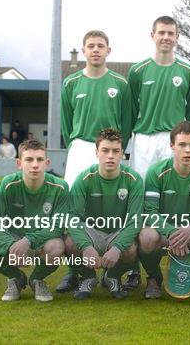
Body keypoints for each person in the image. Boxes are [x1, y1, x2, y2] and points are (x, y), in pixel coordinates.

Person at [59, 30, 132, 293]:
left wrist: (114, 147)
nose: (96, 50)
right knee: (74, 210)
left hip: (110, 149)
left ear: (108, 51)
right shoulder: (70, 83)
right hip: (81, 147)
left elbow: (127, 121)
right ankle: (76, 271)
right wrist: (79, 144)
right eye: (91, 46)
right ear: (84, 50)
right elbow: (67, 124)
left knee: (115, 207)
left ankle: (114, 271)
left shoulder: (120, 83)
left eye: (101, 46)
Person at [137, 121, 190, 299]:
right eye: (182, 144)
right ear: (172, 146)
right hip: (164, 228)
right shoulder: (156, 172)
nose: (187, 150)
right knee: (147, 237)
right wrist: (173, 233)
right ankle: (154, 278)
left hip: (189, 226)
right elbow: (150, 212)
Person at [0, 139, 68, 302]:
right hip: (14, 239)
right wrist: (11, 246)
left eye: (40, 160)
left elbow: (58, 227)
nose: (35, 165)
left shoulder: (60, 187)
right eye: (29, 159)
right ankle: (16, 277)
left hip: (41, 242)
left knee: (58, 246)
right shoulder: (8, 184)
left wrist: (28, 240)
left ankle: (37, 279)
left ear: (47, 163)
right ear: (19, 163)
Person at [65, 128, 143, 300]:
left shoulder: (134, 180)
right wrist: (85, 246)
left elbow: (135, 221)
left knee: (131, 249)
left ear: (122, 153)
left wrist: (117, 248)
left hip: (118, 232)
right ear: (96, 152)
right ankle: (88, 277)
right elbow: (72, 219)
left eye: (115, 151)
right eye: (105, 150)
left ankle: (112, 276)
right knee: (70, 244)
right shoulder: (84, 179)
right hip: (91, 231)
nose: (110, 156)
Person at [127, 16, 190, 180]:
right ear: (152, 35)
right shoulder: (137, 71)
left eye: (170, 33)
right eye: (161, 33)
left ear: (177, 37)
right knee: (141, 186)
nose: (166, 37)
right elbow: (131, 110)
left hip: (174, 139)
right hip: (144, 139)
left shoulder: (189, 72)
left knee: (172, 188)